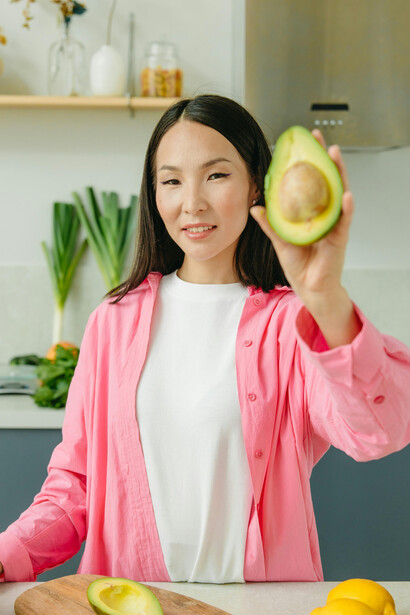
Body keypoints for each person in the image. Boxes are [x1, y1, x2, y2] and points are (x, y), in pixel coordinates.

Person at [0, 94, 409, 584]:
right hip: (134, 600)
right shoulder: (113, 322)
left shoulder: (292, 324)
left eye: (216, 175)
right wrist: (7, 554)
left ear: (257, 183)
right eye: (171, 181)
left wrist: (325, 296)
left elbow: (380, 432)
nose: (191, 202)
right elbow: (74, 489)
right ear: (154, 193)